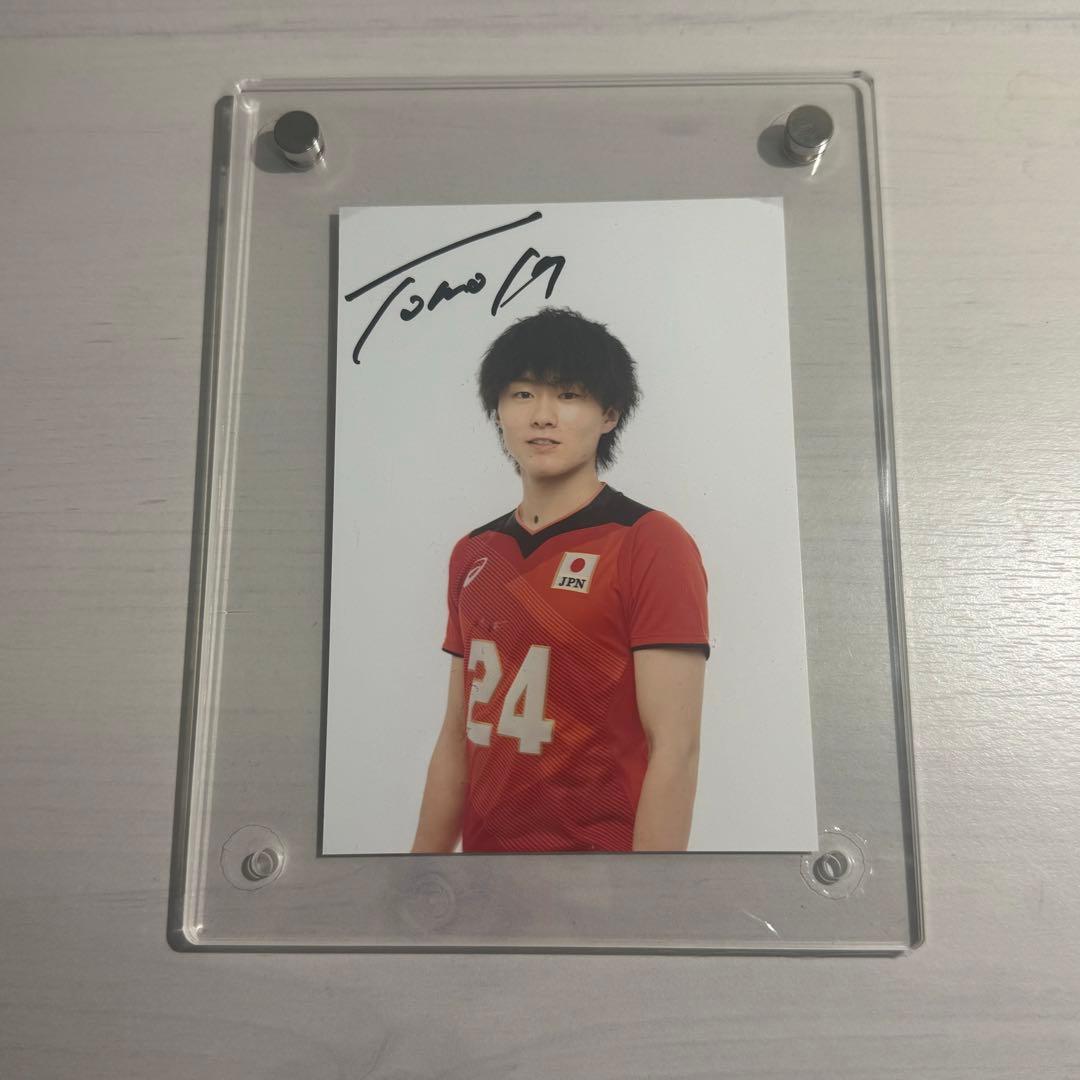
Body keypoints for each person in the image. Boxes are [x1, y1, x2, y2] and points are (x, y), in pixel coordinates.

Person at [411, 307, 709, 853]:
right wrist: (418, 879)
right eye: (522, 394)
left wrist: (652, 893)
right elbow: (456, 736)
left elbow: (676, 748)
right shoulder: (473, 553)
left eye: (569, 395)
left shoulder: (649, 542)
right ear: (498, 411)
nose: (542, 416)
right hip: (483, 880)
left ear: (609, 414)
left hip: (601, 876)